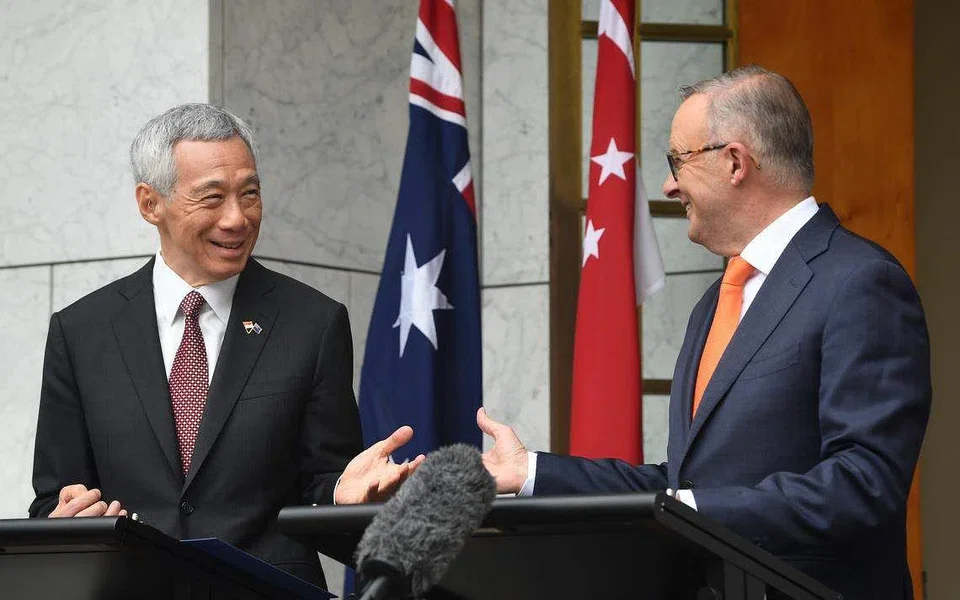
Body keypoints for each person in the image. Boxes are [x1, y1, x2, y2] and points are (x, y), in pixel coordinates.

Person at [478, 65, 931, 599]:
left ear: (735, 161)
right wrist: (530, 472)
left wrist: (687, 512)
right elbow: (684, 485)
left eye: (678, 160)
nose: (670, 183)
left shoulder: (859, 281)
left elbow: (863, 486)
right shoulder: (714, 303)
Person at [29, 103, 423, 588]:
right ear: (150, 203)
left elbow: (325, 483)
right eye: (212, 198)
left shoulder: (312, 323)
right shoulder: (82, 331)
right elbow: (53, 498)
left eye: (250, 194)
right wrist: (67, 517)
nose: (237, 218)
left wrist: (348, 496)